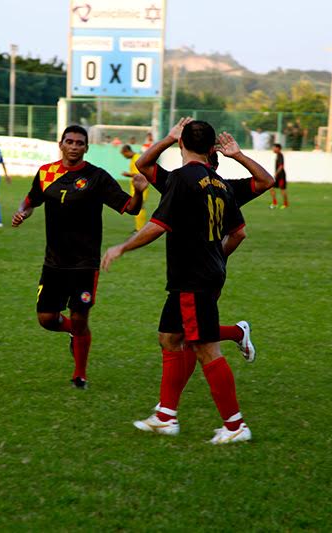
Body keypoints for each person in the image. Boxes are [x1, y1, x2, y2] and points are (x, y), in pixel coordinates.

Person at [102, 120, 252, 445]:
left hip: (193, 277)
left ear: (181, 143)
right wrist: (218, 256)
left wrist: (122, 247)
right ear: (213, 148)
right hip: (201, 273)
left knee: (205, 348)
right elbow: (238, 232)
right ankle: (166, 416)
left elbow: (157, 224)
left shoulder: (182, 179)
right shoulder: (220, 184)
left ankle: (235, 425)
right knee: (170, 338)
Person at [12, 125, 146, 389]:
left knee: (81, 317)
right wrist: (22, 213)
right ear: (60, 144)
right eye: (69, 142)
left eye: (79, 143)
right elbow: (29, 201)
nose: (74, 146)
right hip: (54, 262)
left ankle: (80, 374)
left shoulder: (96, 177)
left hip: (85, 263)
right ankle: (73, 333)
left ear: (86, 148)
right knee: (46, 319)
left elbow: (130, 208)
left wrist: (139, 191)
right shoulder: (46, 173)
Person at [120, 144, 149, 231]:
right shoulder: (134, 158)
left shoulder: (137, 158)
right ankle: (138, 228)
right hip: (136, 187)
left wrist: (128, 174)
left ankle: (140, 229)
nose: (124, 156)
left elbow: (140, 174)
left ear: (127, 151)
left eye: (123, 154)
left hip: (141, 186)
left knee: (140, 207)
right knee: (138, 207)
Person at [269, 143, 289, 209]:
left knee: (282, 190)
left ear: (278, 148)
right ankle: (275, 203)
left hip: (281, 176)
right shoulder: (277, 155)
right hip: (278, 176)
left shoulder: (280, 155)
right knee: (271, 188)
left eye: (274, 148)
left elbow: (281, 166)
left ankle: (285, 204)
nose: (273, 149)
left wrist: (276, 173)